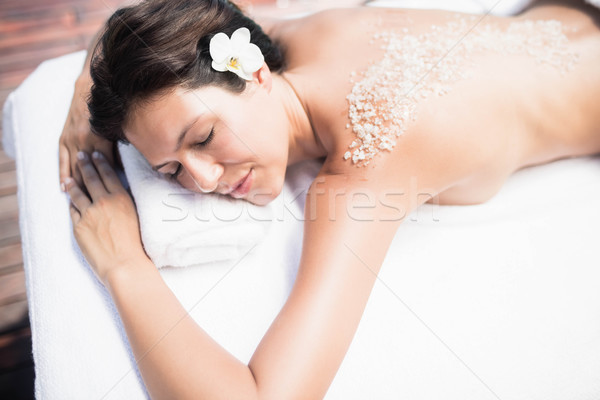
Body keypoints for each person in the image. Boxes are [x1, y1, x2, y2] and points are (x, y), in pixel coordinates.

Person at [57, 0, 600, 398]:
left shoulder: (367, 166)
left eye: (202, 138)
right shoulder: (284, 38)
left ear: (255, 72)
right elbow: (134, 27)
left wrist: (125, 265)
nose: (200, 180)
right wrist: (88, 97)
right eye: (170, 169)